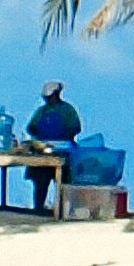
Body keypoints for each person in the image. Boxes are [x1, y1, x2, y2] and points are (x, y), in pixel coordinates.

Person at [23, 83, 80, 213]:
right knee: (40, 181)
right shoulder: (41, 111)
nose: (48, 101)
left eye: (50, 97)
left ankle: (62, 210)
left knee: (63, 183)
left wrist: (62, 137)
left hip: (63, 149)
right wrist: (39, 138)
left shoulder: (67, 110)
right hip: (43, 149)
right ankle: (38, 209)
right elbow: (30, 127)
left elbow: (76, 128)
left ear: (57, 95)